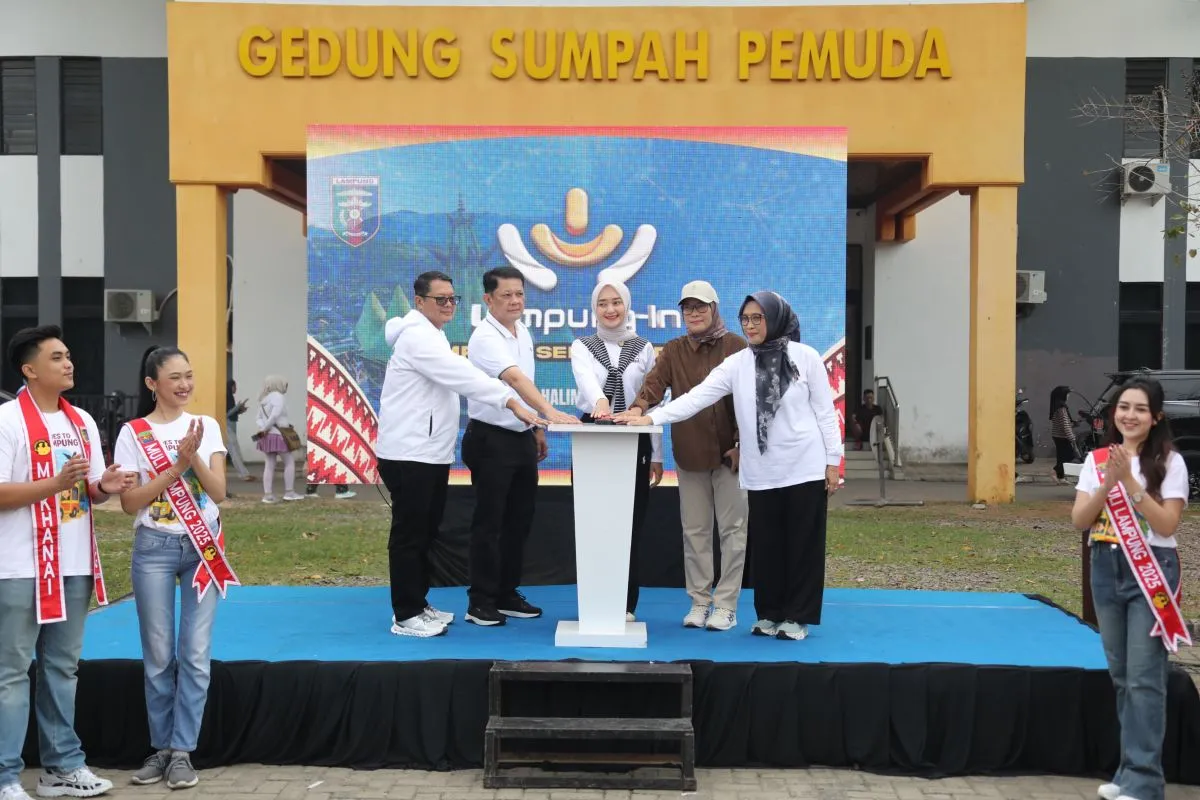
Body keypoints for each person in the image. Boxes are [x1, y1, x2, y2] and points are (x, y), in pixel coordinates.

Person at [617, 291, 842, 641]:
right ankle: (770, 614)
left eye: (758, 318)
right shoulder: (738, 363)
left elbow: (826, 413)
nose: (750, 326)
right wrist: (650, 418)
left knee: (802, 545)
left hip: (805, 466)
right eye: (745, 319)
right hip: (762, 472)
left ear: (776, 318)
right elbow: (696, 397)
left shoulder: (805, 356)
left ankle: (797, 617)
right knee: (767, 547)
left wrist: (832, 461)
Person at [0, 325, 135, 800]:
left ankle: (61, 768)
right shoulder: (8, 421)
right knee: (11, 672)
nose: (68, 363)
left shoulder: (81, 422)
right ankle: (5, 775)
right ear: (29, 369)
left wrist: (104, 487)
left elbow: (89, 489)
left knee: (62, 668)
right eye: (56, 357)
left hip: (72, 563)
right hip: (19, 566)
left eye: (68, 355)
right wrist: (54, 485)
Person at [376, 270, 546, 638]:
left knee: (425, 531)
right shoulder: (417, 337)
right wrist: (510, 401)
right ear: (419, 302)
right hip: (408, 452)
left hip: (430, 452)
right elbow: (462, 375)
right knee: (410, 534)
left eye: (452, 299)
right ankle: (406, 613)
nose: (448, 305)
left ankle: (419, 603)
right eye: (440, 299)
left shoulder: (434, 334)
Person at [113, 347, 232, 791]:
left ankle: (183, 751)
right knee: (159, 654)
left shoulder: (206, 426)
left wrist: (194, 458)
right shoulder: (133, 433)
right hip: (154, 548)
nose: (185, 385)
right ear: (152, 384)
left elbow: (218, 492)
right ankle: (161, 747)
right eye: (174, 377)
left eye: (189, 375)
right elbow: (129, 503)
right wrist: (175, 468)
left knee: (195, 654)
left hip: (203, 549)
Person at [1071, 377, 1189, 800]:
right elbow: (1080, 520)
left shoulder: (1170, 462)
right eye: (1124, 407)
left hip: (1151, 568)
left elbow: (1167, 525)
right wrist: (1109, 481)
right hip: (1106, 566)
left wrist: (1132, 484)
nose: (1130, 415)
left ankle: (1145, 781)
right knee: (1121, 675)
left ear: (1155, 417)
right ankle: (1128, 772)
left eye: (1140, 409)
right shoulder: (1098, 459)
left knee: (1144, 678)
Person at [625, 280, 748, 631]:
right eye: (688, 308)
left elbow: (749, 399)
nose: (694, 314)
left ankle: (726, 606)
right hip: (690, 454)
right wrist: (638, 408)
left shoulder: (738, 347)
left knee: (733, 532)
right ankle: (699, 601)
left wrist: (741, 444)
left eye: (701, 307)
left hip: (732, 457)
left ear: (715, 308)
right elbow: (653, 384)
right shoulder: (674, 349)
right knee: (695, 532)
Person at [462, 266, 580, 627]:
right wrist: (549, 411)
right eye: (506, 295)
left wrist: (536, 427)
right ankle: (480, 601)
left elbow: (525, 379)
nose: (515, 301)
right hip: (490, 439)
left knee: (519, 521)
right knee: (490, 523)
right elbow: (513, 378)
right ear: (488, 299)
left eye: (519, 294)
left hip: (520, 436)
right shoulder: (485, 337)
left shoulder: (523, 331)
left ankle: (506, 593)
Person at [569, 281, 663, 622]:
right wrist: (600, 402)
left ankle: (625, 603)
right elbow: (586, 380)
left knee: (630, 522)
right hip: (593, 432)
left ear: (627, 305)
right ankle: (593, 600)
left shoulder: (643, 347)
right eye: (603, 304)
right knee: (592, 521)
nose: (610, 310)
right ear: (594, 309)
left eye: (616, 302)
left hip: (634, 432)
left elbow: (652, 399)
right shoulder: (582, 346)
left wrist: (656, 454)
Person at [254, 376, 302, 503]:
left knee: (269, 464)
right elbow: (275, 415)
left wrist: (263, 428)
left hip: (267, 436)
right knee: (289, 462)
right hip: (278, 434)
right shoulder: (278, 397)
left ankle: (268, 495)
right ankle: (289, 492)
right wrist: (267, 427)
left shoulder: (263, 399)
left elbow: (258, 418)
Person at [1050, 385, 1079, 484]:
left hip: (1057, 435)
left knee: (1061, 457)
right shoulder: (1061, 408)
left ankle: (1061, 477)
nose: (1068, 396)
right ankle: (1054, 471)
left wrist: (1072, 423)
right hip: (1062, 436)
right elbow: (1065, 425)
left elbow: (1063, 423)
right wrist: (1072, 437)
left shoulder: (1056, 406)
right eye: (1067, 394)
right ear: (1062, 395)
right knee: (1069, 456)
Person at [225, 380, 251, 481]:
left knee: (235, 449)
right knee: (234, 450)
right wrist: (237, 407)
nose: (236, 389)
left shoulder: (230, 397)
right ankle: (243, 474)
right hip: (226, 426)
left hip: (229, 426)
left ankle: (243, 473)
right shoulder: (226, 397)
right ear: (230, 386)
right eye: (234, 386)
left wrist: (240, 410)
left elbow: (231, 413)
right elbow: (226, 414)